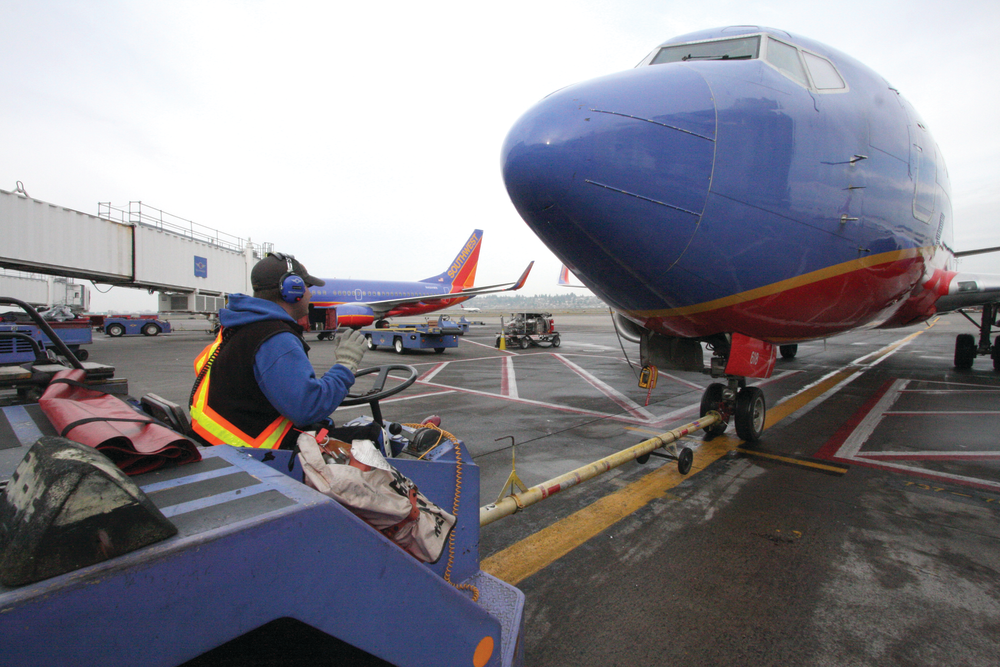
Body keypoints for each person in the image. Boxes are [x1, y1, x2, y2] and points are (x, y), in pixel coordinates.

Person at [189, 252, 367, 449]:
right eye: (307, 287)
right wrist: (346, 365)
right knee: (370, 435)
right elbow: (308, 408)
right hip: (260, 455)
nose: (310, 293)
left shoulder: (240, 326)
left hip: (221, 443)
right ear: (292, 290)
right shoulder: (275, 338)